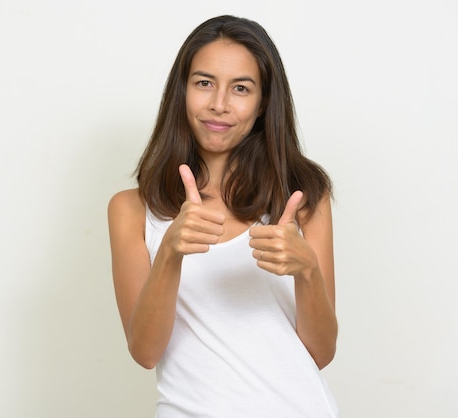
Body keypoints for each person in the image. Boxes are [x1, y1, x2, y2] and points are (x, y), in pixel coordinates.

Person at [107, 15, 339, 417]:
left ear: (264, 101)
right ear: (181, 91)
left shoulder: (303, 197)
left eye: (241, 89)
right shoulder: (131, 208)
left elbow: (321, 352)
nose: (219, 103)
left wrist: (308, 271)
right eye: (204, 83)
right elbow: (145, 352)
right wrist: (169, 253)